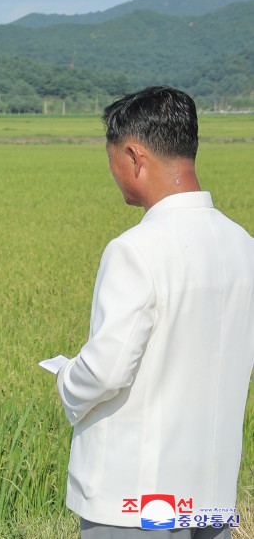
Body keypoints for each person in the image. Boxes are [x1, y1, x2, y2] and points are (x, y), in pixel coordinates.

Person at [54, 86, 254, 537]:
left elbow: (105, 372)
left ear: (133, 155)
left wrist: (67, 379)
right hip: (211, 497)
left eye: (112, 162)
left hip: (138, 501)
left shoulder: (136, 250)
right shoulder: (244, 246)